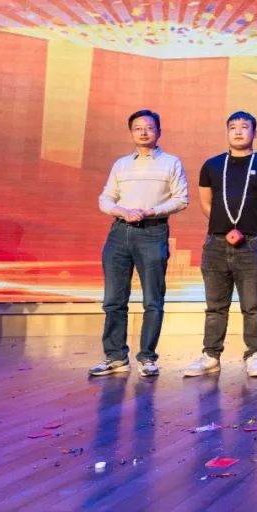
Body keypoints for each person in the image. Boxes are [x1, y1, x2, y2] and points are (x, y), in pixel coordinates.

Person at [89, 109, 189, 377]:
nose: (143, 132)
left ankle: (147, 357)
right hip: (119, 232)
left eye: (149, 127)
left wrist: (150, 211)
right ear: (131, 132)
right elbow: (105, 199)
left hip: (153, 232)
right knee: (113, 299)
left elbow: (181, 199)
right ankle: (115, 356)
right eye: (137, 128)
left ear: (159, 132)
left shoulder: (171, 162)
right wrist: (123, 211)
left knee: (153, 300)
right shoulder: (121, 164)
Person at [183, 111, 257, 378]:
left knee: (252, 305)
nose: (238, 131)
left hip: (251, 245)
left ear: (254, 132)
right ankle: (211, 355)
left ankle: (254, 354)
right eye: (233, 127)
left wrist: (255, 228)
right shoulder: (212, 165)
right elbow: (206, 202)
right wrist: (226, 227)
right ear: (227, 132)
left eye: (244, 127)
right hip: (215, 244)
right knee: (215, 306)